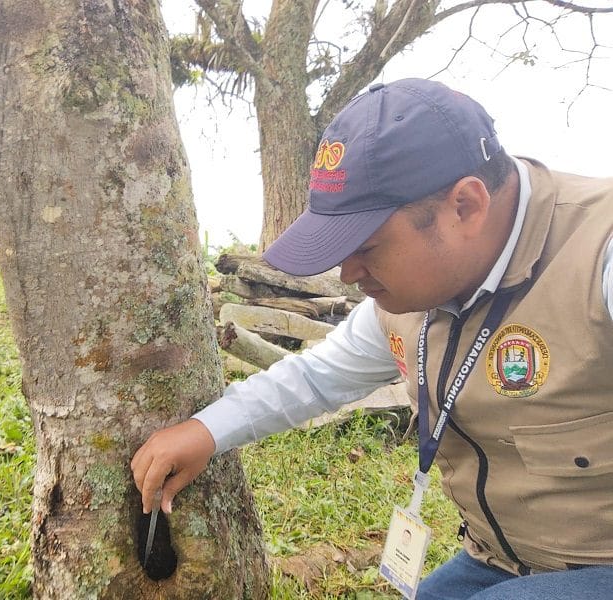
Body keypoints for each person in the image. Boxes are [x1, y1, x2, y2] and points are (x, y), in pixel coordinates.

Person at [130, 78, 613, 599]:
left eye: (367, 245)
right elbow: (316, 378)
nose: (347, 273)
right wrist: (206, 430)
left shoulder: (597, 260)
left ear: (466, 207)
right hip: (502, 557)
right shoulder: (411, 299)